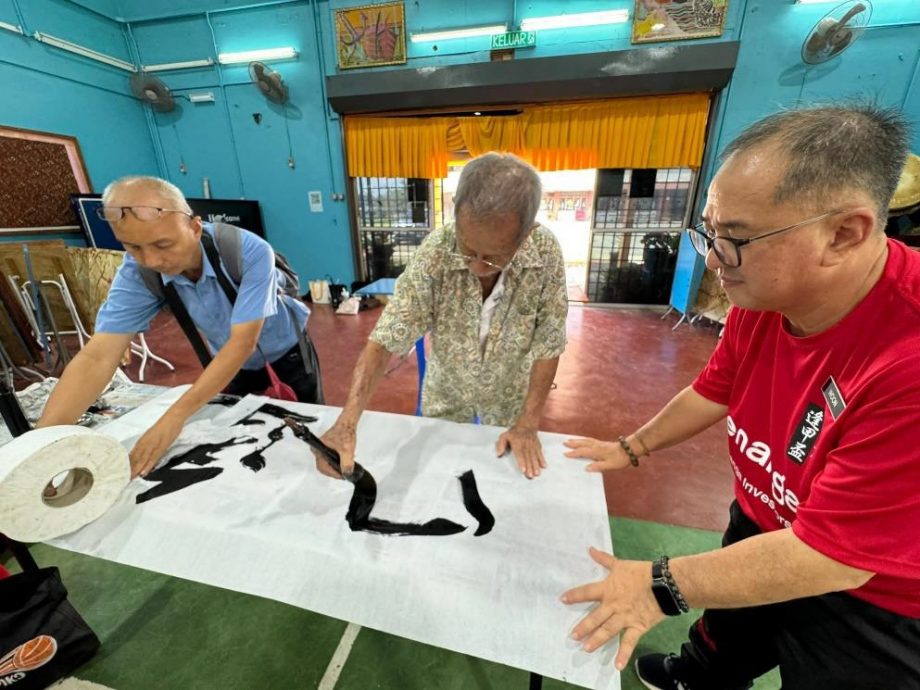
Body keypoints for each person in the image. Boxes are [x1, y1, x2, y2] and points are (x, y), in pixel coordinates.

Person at [561, 104, 920, 689]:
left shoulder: (906, 360)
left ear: (843, 233)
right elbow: (717, 389)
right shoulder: (765, 296)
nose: (712, 257)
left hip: (874, 592)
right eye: (709, 230)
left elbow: (833, 556)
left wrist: (659, 584)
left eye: (735, 239)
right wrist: (632, 447)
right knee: (728, 633)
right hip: (767, 516)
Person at [38, 176, 323, 478]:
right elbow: (98, 356)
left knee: (306, 437)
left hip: (287, 355)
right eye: (133, 247)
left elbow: (242, 342)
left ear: (195, 227)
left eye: (164, 244)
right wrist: (41, 444)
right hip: (227, 365)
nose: (152, 259)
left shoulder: (246, 251)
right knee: (248, 444)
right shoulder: (139, 272)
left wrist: (174, 418)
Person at [317, 152, 568, 480]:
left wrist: (528, 423)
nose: (477, 267)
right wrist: (346, 423)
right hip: (446, 395)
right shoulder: (437, 250)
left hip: (512, 399)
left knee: (503, 487)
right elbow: (387, 337)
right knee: (436, 484)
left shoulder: (545, 252)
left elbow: (549, 341)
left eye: (493, 258)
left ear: (527, 232)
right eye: (467, 249)